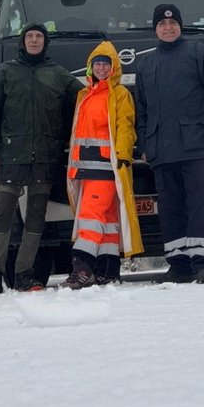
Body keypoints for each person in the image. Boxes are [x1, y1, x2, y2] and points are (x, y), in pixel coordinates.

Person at [0, 24, 82, 295]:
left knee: (36, 217)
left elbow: (85, 97)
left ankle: (24, 274)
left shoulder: (57, 74)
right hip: (10, 155)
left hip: (45, 156)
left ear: (45, 43)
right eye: (30, 37)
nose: (34, 40)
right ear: (23, 42)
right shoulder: (5, 72)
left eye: (39, 37)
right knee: (2, 214)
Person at [135, 4, 204, 284]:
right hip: (161, 150)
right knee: (170, 207)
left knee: (201, 203)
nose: (168, 28)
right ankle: (178, 265)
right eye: (162, 25)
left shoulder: (199, 53)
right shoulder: (145, 64)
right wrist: (144, 143)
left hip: (197, 144)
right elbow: (142, 109)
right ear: (155, 29)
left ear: (180, 26)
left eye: (173, 23)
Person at [63, 42, 144, 288]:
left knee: (89, 216)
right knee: (108, 221)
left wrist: (122, 155)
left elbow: (125, 127)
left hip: (106, 167)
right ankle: (108, 271)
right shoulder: (84, 95)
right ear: (90, 67)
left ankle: (82, 267)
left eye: (105, 64)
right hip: (85, 168)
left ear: (113, 67)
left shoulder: (119, 94)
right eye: (96, 64)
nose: (100, 68)